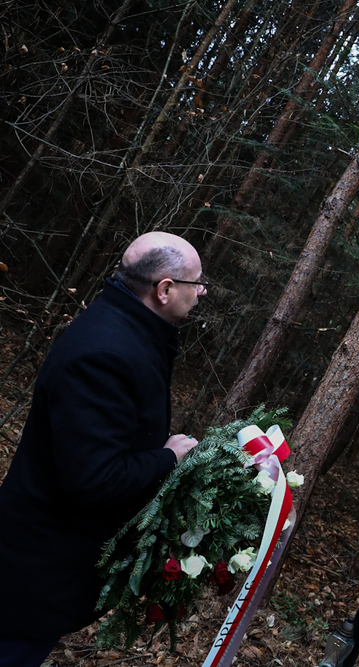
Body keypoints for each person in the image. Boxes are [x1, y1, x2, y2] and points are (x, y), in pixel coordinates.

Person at [0, 232, 208, 665]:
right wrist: (169, 457)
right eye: (196, 283)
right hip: (32, 575)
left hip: (40, 571)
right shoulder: (106, 352)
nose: (202, 292)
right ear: (165, 290)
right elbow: (93, 478)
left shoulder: (130, 331)